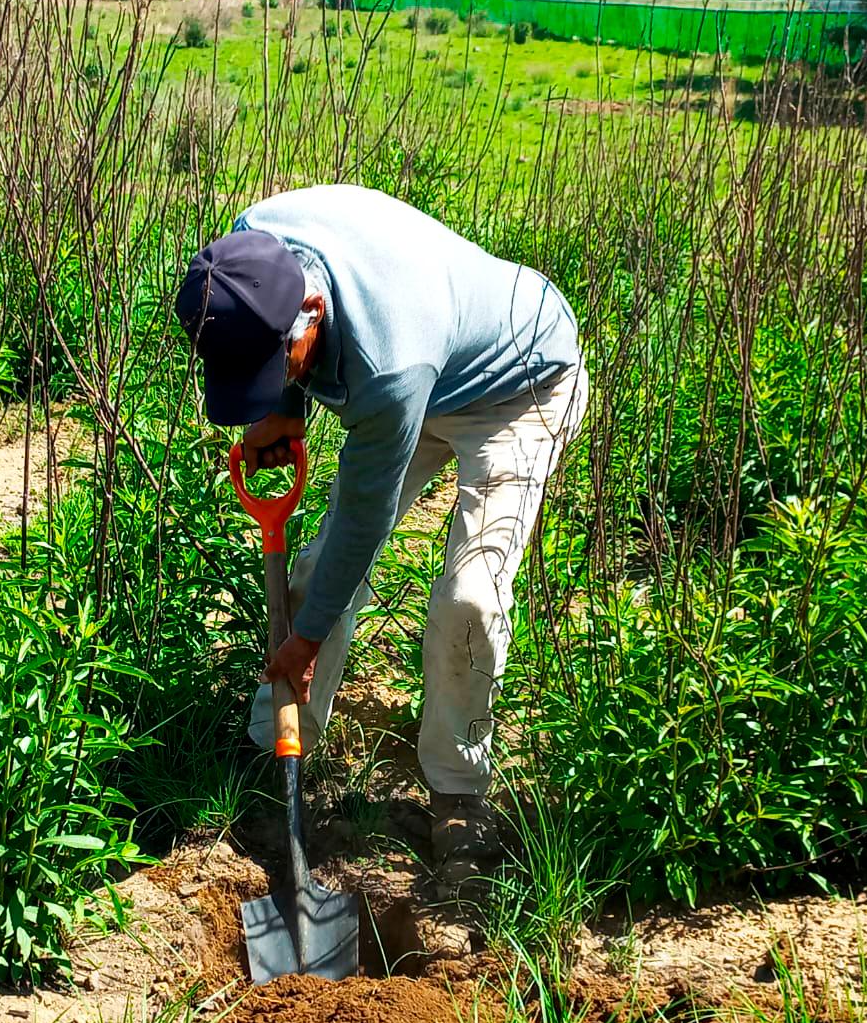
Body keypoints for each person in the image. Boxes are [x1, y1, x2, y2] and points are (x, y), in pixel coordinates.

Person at [174, 184, 587, 881]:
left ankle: (457, 788)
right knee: (311, 578)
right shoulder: (243, 259)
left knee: (470, 597)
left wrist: (304, 640)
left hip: (519, 380)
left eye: (275, 368)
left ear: (311, 314)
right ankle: (273, 754)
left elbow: (363, 522)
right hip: (432, 355)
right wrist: (283, 404)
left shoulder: (390, 362)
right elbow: (275, 344)